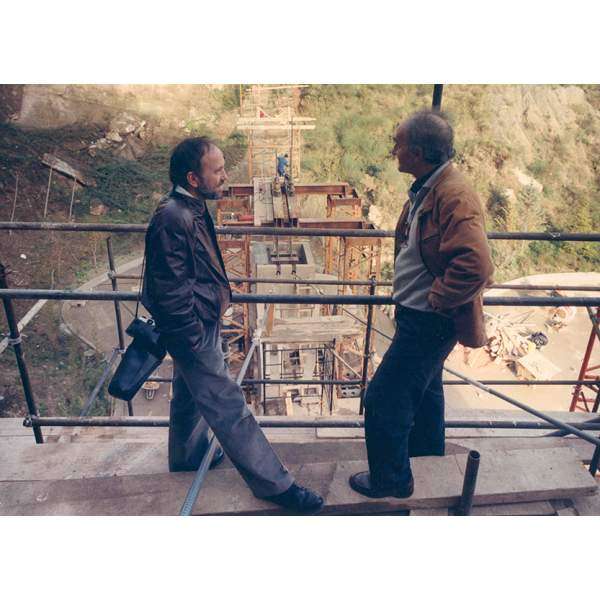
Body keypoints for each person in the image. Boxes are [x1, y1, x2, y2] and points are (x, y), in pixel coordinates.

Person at [142, 137, 323, 513]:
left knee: (189, 396)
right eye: (218, 170)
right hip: (192, 331)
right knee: (229, 406)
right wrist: (194, 338)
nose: (225, 176)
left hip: (200, 324)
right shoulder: (173, 217)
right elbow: (170, 290)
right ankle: (275, 484)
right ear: (193, 177)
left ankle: (187, 456)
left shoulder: (189, 206)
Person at [349, 110, 494, 499]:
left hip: (430, 319)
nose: (393, 150)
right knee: (427, 390)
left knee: (383, 399)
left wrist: (437, 298)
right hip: (418, 315)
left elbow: (477, 264)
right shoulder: (429, 186)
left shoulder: (454, 195)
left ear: (417, 151)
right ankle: (431, 459)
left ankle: (392, 480)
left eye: (398, 144)